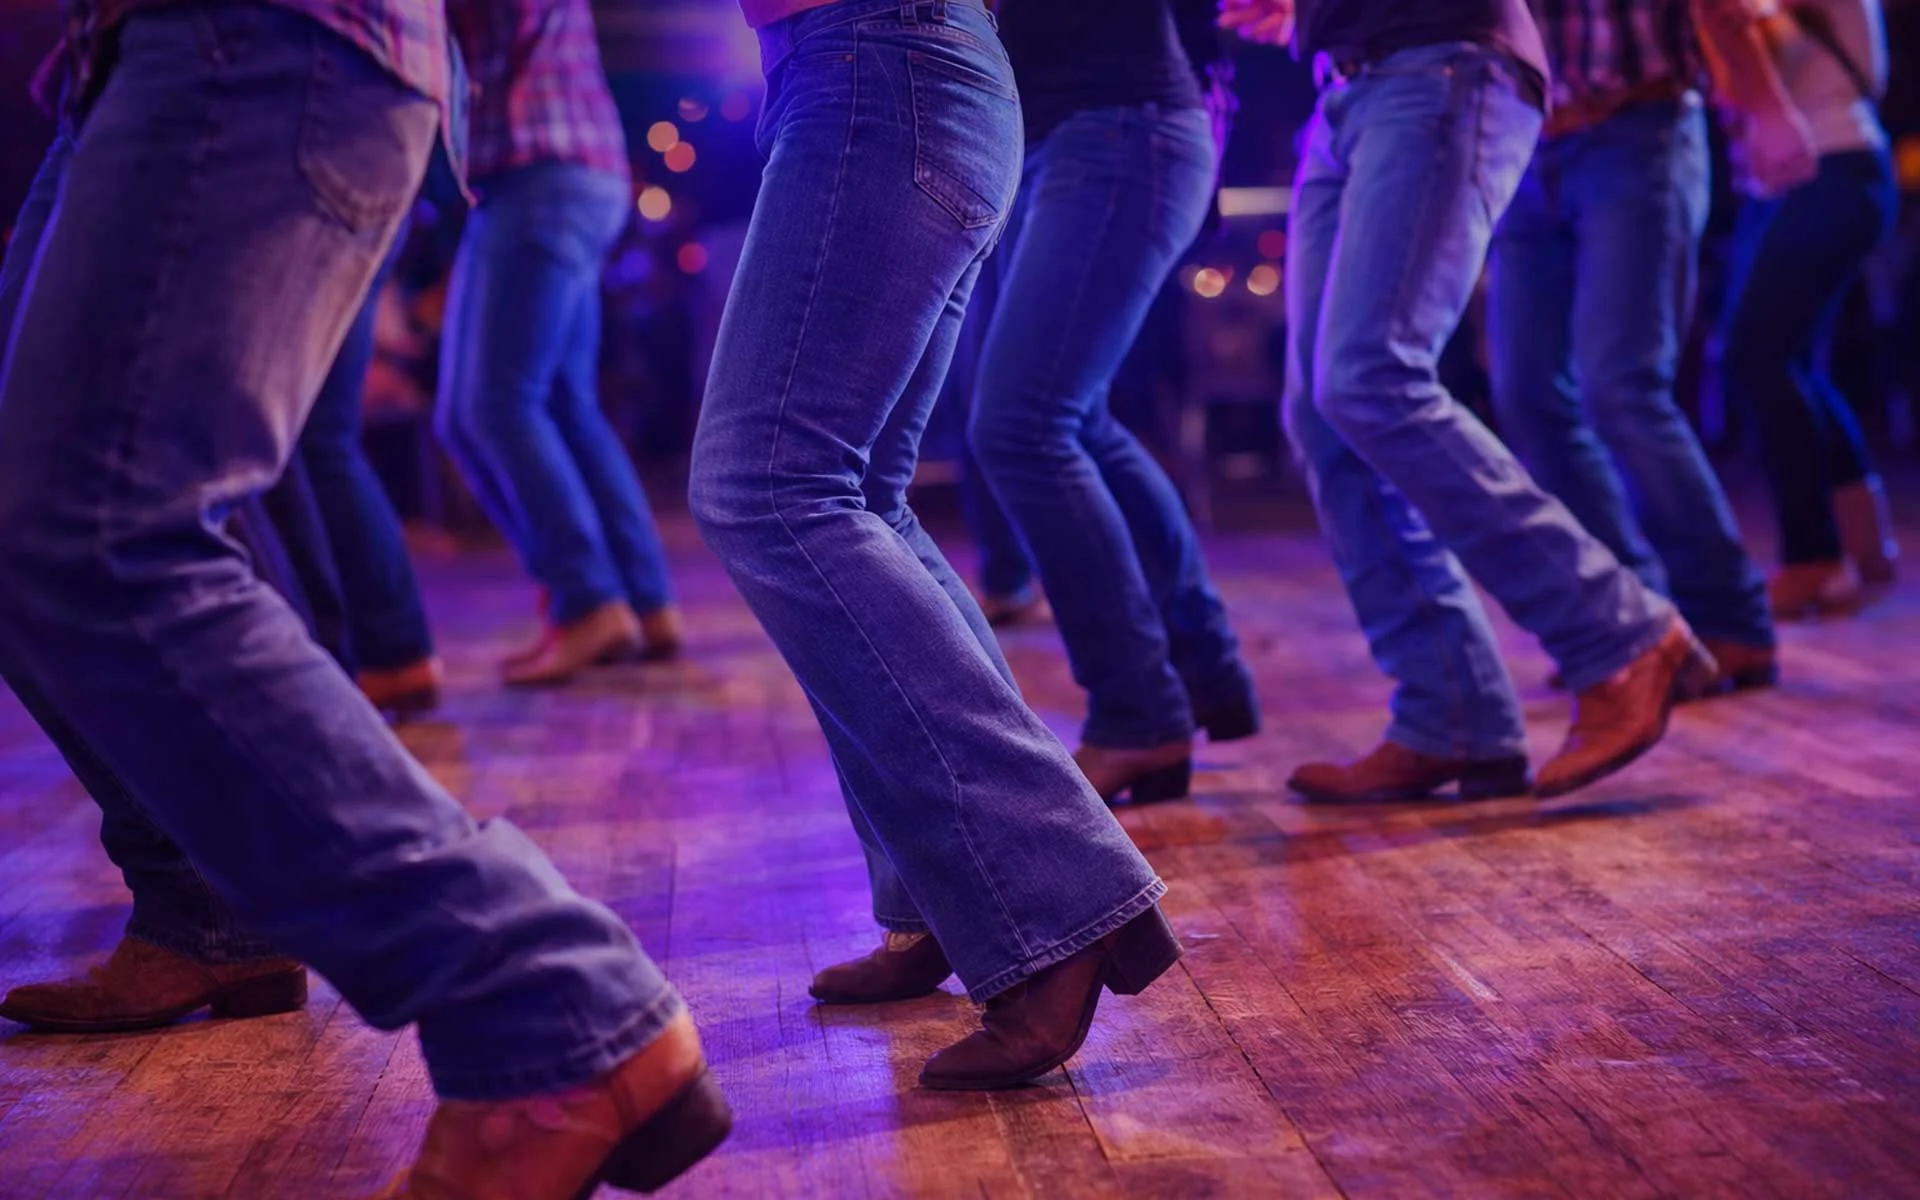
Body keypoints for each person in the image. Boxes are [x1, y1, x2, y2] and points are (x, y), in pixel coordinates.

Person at [0, 5, 727, 1194]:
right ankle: (207, 907)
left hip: (257, 35)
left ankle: (545, 996)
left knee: (109, 531)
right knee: (65, 529)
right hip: (137, 61)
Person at [692, 0, 1186, 1090]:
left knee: (770, 484)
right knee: (855, 492)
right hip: (900, 69)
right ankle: (955, 901)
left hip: (877, 64)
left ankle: (1057, 900)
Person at [1219, 0, 1717, 804]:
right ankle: (1449, 708)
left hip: (1441, 57)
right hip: (1347, 83)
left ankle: (1618, 631)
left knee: (1370, 373)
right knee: (1322, 411)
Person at [968, 0, 1260, 804]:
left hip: (1121, 130)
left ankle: (1139, 715)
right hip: (1069, 139)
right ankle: (1202, 668)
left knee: (1023, 426)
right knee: (1075, 423)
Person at [1486, 0, 1789, 696]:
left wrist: (1768, 109)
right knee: (1528, 394)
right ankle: (1634, 624)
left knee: (1619, 387)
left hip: (1637, 131)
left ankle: (1728, 617)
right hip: (1525, 146)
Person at [436, 0, 683, 687]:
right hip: (580, 170)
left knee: (486, 407)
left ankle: (586, 602)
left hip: (535, 171)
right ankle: (643, 600)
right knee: (565, 407)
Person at [1705, 0, 1901, 617]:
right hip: (1817, 173)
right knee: (1785, 361)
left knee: (1756, 358)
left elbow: (1755, 69)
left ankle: (1814, 554)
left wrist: (1721, 22)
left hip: (1831, 166)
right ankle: (1864, 542)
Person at [298, 216, 446, 715]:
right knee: (320, 438)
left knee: (314, 438)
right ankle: (388, 651)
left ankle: (374, 654)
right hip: (373, 194)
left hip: (330, 192)